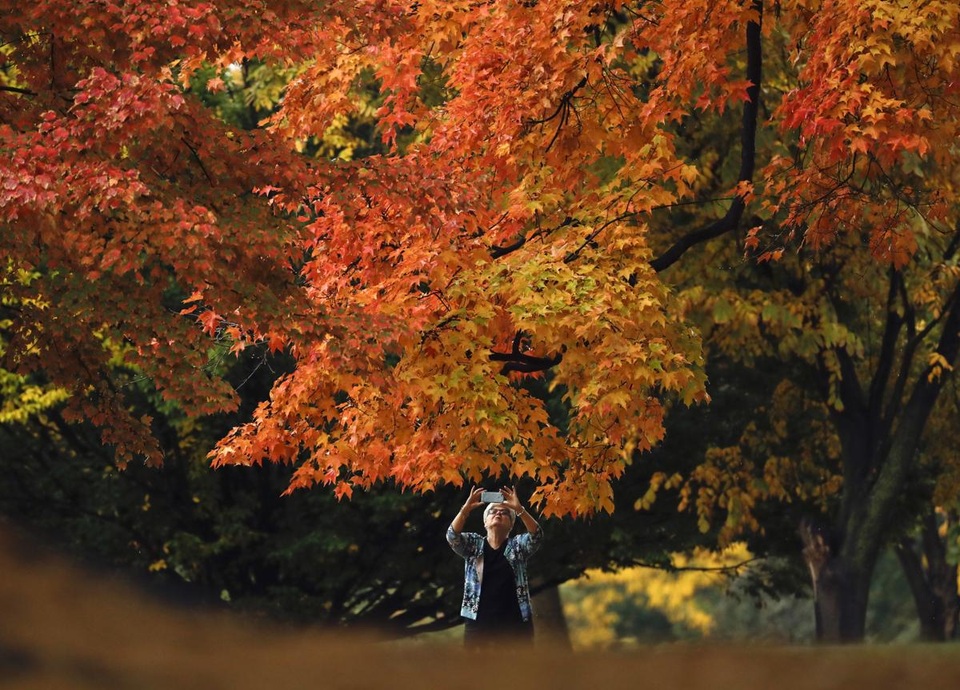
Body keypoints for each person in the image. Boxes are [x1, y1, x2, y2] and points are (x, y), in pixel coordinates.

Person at [446, 486, 543, 648]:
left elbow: (536, 536)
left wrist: (519, 510)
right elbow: (452, 536)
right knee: (477, 670)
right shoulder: (473, 545)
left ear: (511, 524)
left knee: (521, 670)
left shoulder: (517, 546)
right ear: (485, 522)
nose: (498, 513)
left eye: (505, 513)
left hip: (515, 621)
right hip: (478, 621)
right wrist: (465, 510)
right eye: (493, 512)